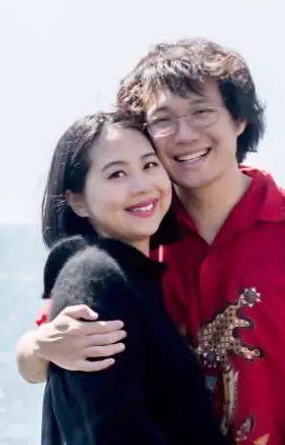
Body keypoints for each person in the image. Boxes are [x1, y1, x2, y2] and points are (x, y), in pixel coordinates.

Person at [17, 39, 285, 445]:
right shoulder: (139, 230)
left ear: (239, 119)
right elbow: (40, 355)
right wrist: (39, 347)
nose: (185, 134)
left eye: (201, 112)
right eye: (163, 120)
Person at [37, 111, 227, 444]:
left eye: (149, 165)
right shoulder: (96, 280)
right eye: (117, 174)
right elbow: (115, 431)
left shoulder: (133, 278)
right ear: (77, 201)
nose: (142, 186)